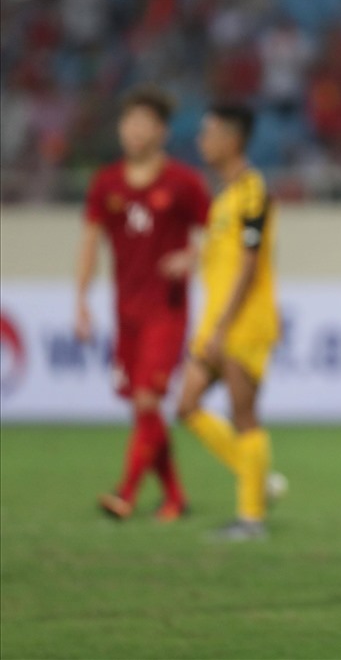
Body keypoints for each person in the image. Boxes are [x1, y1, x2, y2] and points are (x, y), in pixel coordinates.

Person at [76, 85, 211, 522]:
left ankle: (126, 493)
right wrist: (80, 301)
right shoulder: (107, 183)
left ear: (161, 132)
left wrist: (190, 256)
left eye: (143, 124)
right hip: (126, 313)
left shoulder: (183, 182)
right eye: (128, 122)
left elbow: (217, 236)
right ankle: (175, 497)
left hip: (166, 311)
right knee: (142, 405)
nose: (133, 131)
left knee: (148, 402)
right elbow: (90, 243)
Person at [176, 104, 281, 541]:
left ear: (232, 140)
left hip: (242, 323)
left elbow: (249, 265)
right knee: (186, 406)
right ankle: (256, 478)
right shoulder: (223, 196)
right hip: (218, 322)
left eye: (209, 132)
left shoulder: (253, 189)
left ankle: (251, 518)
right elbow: (221, 260)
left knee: (243, 415)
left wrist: (222, 326)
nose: (202, 140)